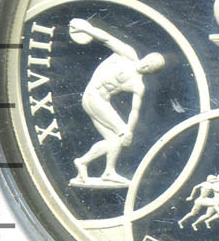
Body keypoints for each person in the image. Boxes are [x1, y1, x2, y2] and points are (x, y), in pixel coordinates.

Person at [69, 18, 165, 186]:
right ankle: (109, 172)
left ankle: (83, 162)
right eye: (149, 61)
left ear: (151, 72)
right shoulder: (128, 55)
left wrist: (130, 131)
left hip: (100, 101)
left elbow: (134, 111)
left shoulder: (138, 85)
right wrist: (87, 29)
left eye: (151, 67)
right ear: (146, 57)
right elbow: (107, 39)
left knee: (114, 141)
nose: (147, 65)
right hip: (93, 96)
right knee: (121, 133)